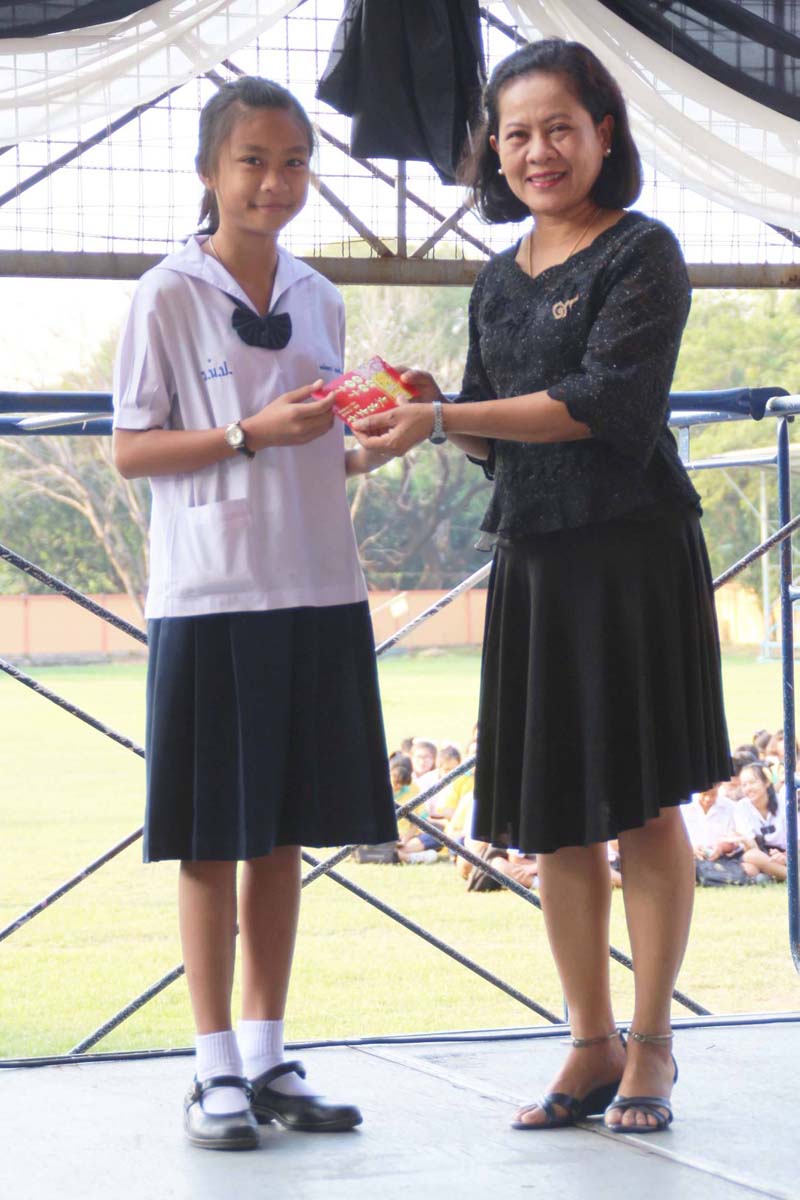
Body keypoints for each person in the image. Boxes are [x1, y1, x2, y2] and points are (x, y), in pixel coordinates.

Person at [351, 39, 730, 1134]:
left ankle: (652, 1047)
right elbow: (491, 437)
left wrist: (445, 415)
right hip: (533, 560)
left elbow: (599, 407)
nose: (536, 151)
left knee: (644, 807)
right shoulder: (495, 277)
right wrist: (435, 409)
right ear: (494, 149)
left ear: (603, 133)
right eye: (514, 133)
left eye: (558, 127)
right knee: (555, 815)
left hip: (632, 559)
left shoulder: (643, 252)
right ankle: (587, 1042)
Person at [112, 76, 397, 1151]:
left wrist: (375, 434)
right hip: (213, 595)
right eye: (253, 162)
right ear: (208, 172)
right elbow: (131, 448)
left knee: (282, 833)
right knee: (210, 838)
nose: (275, 182)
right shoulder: (165, 294)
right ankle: (212, 1068)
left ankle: (270, 1054)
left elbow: (321, 440)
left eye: (293, 163)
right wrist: (244, 434)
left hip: (317, 584)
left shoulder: (320, 294)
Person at [732, 763, 788, 882]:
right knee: (750, 859)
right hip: (761, 854)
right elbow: (751, 845)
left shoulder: (783, 801)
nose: (748, 788)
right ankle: (788, 874)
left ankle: (777, 873)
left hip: (787, 853)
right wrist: (768, 858)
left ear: (766, 782)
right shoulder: (742, 807)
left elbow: (797, 839)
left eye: (752, 782)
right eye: (744, 785)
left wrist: (785, 856)